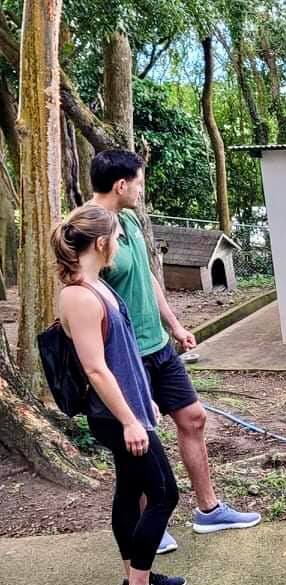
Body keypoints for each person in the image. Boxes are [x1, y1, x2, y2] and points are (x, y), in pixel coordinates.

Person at [89, 149, 260, 543]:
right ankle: (150, 525)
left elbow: (147, 280)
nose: (140, 190)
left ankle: (210, 510)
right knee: (139, 443)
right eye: (139, 183)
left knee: (193, 418)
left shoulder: (128, 220)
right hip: (125, 358)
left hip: (160, 348)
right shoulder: (90, 230)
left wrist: (176, 326)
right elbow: (85, 294)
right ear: (121, 185)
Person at [52, 204, 186, 585]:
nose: (120, 245)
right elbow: (94, 368)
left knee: (130, 491)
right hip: (114, 417)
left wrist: (144, 401)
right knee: (164, 494)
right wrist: (129, 420)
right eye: (118, 239)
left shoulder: (97, 286)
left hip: (129, 408)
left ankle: (135, 577)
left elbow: (124, 355)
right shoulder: (78, 296)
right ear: (102, 242)